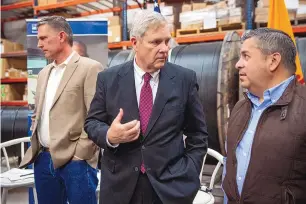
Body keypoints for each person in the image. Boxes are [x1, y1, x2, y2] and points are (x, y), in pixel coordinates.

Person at [85, 10, 208, 204]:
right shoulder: (108, 79)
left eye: (167, 41)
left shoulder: (184, 79)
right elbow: (92, 122)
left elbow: (198, 135)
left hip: (169, 187)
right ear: (135, 43)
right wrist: (109, 136)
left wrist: (189, 171)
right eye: (155, 42)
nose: (164, 48)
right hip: (121, 188)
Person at [19, 16, 103, 204]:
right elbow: (38, 112)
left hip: (76, 162)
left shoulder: (90, 68)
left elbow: (96, 116)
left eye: (43, 38)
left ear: (61, 36)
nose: (39, 44)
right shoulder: (43, 73)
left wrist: (80, 153)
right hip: (43, 159)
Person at [222, 28, 306, 204]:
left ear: (273, 61)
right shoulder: (240, 107)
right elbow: (229, 167)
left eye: (246, 56)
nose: (238, 64)